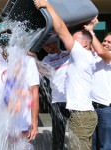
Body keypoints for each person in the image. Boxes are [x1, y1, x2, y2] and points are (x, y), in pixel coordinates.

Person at [34, 1, 99, 150]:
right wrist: (91, 28)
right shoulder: (84, 57)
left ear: (83, 45)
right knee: (67, 138)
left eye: (74, 41)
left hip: (81, 114)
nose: (70, 43)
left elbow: (62, 29)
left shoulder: (79, 56)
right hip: (77, 109)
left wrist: (47, 5)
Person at [0, 29, 40, 143]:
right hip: (0, 120)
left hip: (22, 121)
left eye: (9, 46)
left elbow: (34, 93)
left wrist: (34, 123)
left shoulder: (28, 62)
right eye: (3, 46)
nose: (5, 50)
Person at [28, 36, 70, 150]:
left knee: (77, 131)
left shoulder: (68, 54)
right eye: (45, 46)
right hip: (57, 101)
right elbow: (43, 72)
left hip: (74, 100)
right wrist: (35, 58)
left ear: (55, 42)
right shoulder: (46, 59)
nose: (47, 48)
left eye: (49, 44)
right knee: (58, 134)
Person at [84, 19, 111, 150]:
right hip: (91, 107)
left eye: (109, 42)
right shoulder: (96, 56)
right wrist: (92, 26)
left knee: (105, 145)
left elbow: (100, 51)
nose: (105, 43)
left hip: (106, 109)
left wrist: (91, 31)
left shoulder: (108, 56)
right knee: (92, 145)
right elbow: (93, 48)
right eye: (104, 40)